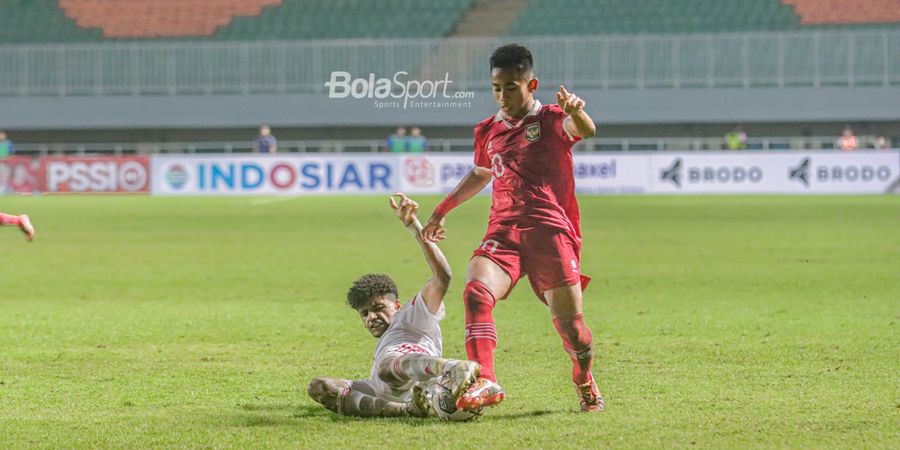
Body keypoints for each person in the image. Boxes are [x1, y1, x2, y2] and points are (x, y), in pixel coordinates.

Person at [421, 44, 604, 413]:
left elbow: (585, 130)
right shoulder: (487, 130)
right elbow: (480, 174)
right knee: (475, 293)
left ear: (531, 84)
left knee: (572, 330)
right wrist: (442, 210)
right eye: (496, 87)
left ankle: (583, 379)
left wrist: (577, 112)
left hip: (551, 233)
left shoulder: (552, 119)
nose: (502, 96)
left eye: (511, 87)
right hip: (503, 231)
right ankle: (487, 378)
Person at [307, 193, 481, 418]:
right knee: (319, 386)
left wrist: (414, 227)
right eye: (365, 313)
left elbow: (443, 277)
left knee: (386, 368)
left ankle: (451, 368)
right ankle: (406, 411)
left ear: (397, 305)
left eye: (378, 308)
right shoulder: (387, 339)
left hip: (419, 380)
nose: (371, 317)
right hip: (384, 390)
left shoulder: (413, 316)